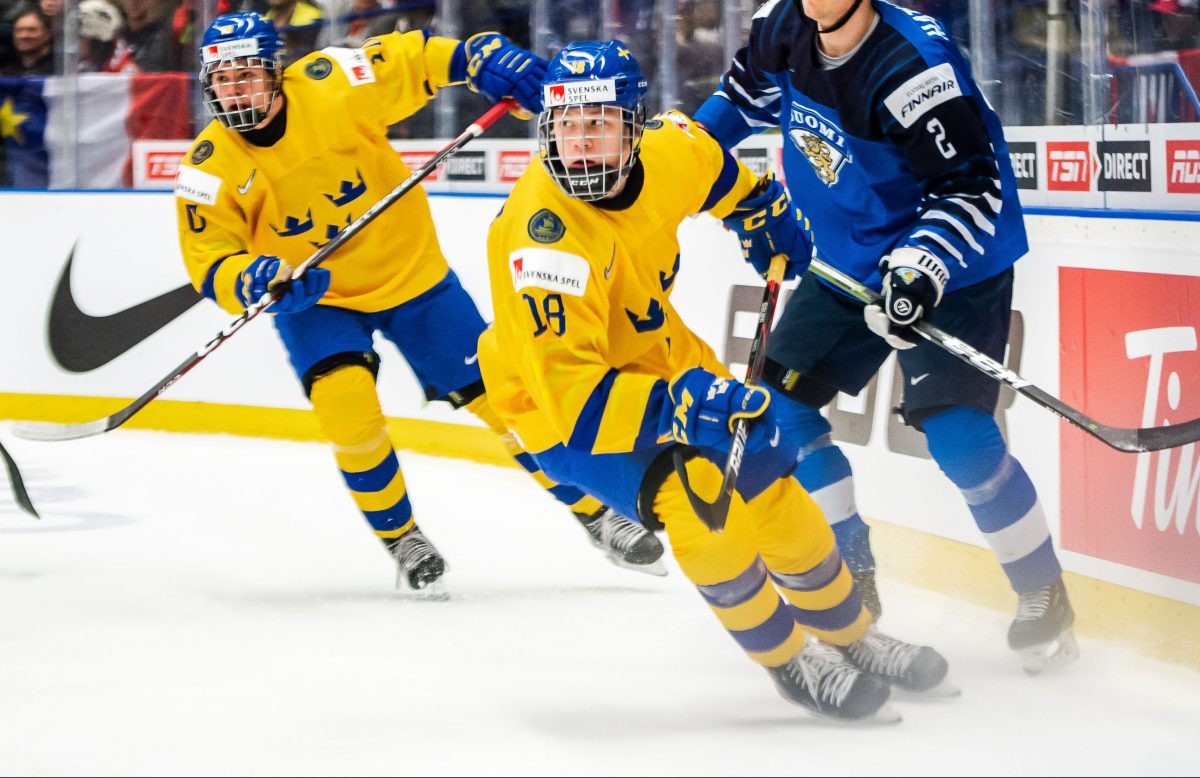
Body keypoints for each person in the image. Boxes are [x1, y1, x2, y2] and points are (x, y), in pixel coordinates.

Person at [477, 39, 952, 722]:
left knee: (772, 486)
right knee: (700, 498)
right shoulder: (541, 239)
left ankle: (853, 635)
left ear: (633, 128)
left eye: (599, 123)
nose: (579, 144)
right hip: (563, 405)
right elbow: (579, 403)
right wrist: (689, 404)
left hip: (665, 360)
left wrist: (761, 212)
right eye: (566, 124)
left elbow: (719, 171)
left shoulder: (669, 151)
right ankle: (789, 660)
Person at [172, 13, 666, 590]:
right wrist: (254, 278)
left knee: (511, 403)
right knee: (347, 410)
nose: (236, 89)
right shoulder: (205, 169)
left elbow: (411, 58)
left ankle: (595, 511)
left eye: (248, 74)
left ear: (275, 72)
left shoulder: (330, 80)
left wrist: (476, 58)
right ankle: (401, 535)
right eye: (223, 79)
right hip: (316, 302)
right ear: (208, 85)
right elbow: (210, 260)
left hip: (413, 279)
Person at [693, 0, 1077, 673]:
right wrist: (678, 163)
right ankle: (851, 565)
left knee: (959, 439)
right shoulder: (781, 24)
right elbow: (741, 98)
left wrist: (918, 269)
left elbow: (969, 189)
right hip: (847, 255)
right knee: (779, 405)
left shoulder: (913, 66)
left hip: (957, 263)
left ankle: (1043, 590)